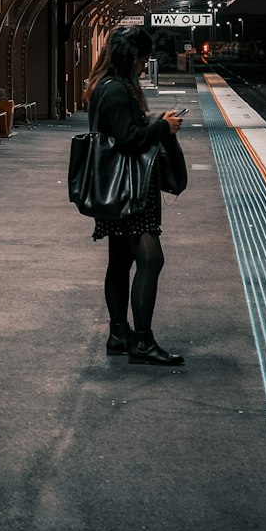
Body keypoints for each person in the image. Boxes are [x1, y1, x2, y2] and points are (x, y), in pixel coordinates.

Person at [83, 25, 185, 366]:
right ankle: (142, 341)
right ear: (131, 57)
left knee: (120, 261)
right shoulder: (115, 90)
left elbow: (121, 131)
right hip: (129, 191)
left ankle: (118, 333)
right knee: (151, 260)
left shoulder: (105, 86)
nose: (144, 65)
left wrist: (153, 121)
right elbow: (128, 139)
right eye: (143, 59)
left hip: (115, 187)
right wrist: (162, 127)